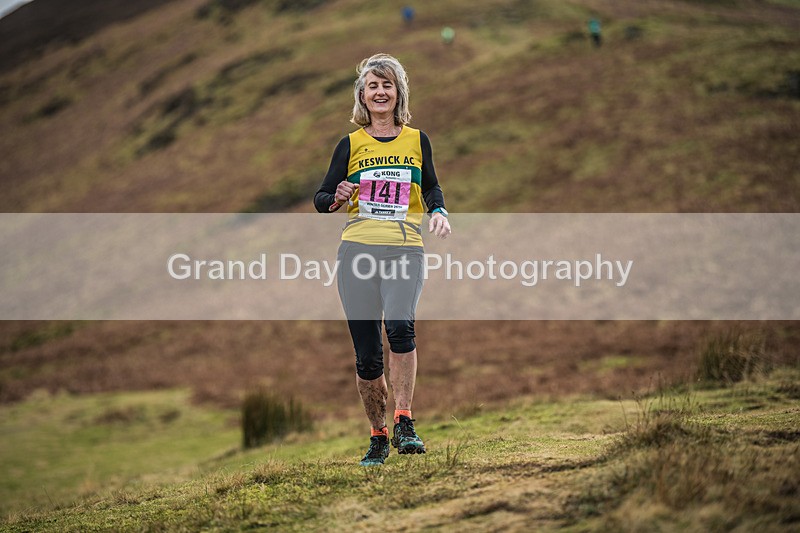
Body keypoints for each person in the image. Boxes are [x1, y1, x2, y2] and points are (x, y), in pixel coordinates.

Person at [314, 53, 451, 466]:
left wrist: (439, 212)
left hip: (405, 248)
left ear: (398, 93)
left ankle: (405, 420)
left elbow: (431, 188)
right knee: (368, 356)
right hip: (357, 251)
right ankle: (378, 435)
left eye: (387, 85)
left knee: (400, 327)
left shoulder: (417, 140)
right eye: (372, 86)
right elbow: (321, 199)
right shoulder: (350, 144)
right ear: (362, 95)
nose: (380, 92)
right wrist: (336, 197)